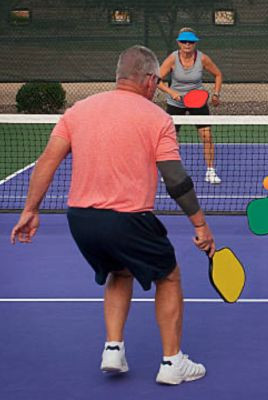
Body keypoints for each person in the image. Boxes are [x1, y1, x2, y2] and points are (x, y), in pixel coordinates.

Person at [10, 45, 215, 385]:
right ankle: (172, 363)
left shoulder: (79, 110)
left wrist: (30, 209)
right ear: (150, 80)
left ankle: (113, 349)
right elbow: (175, 179)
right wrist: (201, 225)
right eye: (157, 81)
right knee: (169, 276)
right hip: (128, 219)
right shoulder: (157, 118)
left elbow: (48, 159)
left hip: (80, 220)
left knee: (119, 272)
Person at [158, 27, 223, 184]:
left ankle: (210, 171)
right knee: (171, 138)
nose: (187, 44)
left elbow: (218, 74)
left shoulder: (202, 59)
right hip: (176, 102)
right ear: (179, 43)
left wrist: (216, 94)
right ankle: (170, 171)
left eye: (191, 42)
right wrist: (171, 92)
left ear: (195, 43)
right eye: (184, 41)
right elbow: (157, 79)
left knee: (207, 136)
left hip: (197, 102)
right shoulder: (172, 59)